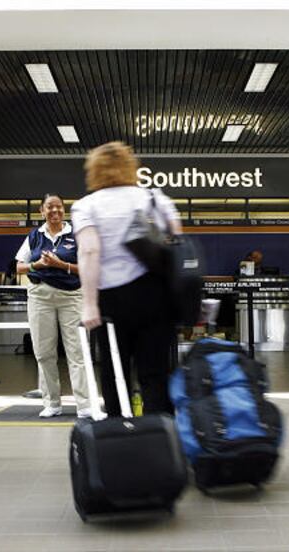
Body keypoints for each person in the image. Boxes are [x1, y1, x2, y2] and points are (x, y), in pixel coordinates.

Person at [73, 141, 182, 417]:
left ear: (94, 171)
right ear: (131, 167)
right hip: (157, 296)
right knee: (156, 372)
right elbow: (176, 241)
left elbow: (89, 250)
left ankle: (121, 438)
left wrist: (89, 304)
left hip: (111, 301)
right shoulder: (154, 198)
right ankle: (162, 442)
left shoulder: (87, 206)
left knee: (114, 372)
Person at [16, 193, 90, 418]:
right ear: (42, 211)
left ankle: (85, 405)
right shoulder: (34, 236)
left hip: (72, 296)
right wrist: (37, 264)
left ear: (64, 210)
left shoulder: (76, 234)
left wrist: (61, 264)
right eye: (50, 207)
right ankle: (51, 403)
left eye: (59, 207)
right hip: (40, 296)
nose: (55, 211)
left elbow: (88, 266)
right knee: (44, 352)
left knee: (77, 352)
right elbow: (19, 266)